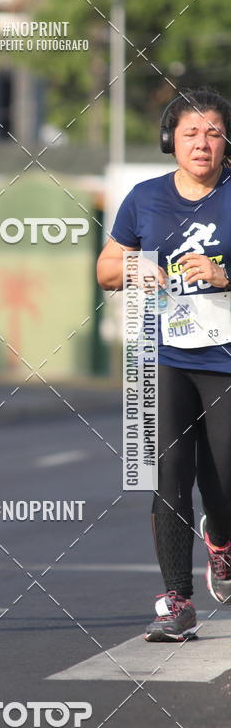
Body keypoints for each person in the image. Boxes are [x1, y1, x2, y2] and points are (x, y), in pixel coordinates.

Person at [97, 88, 231, 642]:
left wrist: (225, 277)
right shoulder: (144, 198)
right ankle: (176, 601)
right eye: (190, 133)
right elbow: (106, 268)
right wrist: (135, 268)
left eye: (214, 132)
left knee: (224, 475)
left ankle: (221, 541)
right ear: (170, 140)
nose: (202, 143)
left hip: (225, 361)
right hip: (162, 357)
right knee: (167, 474)